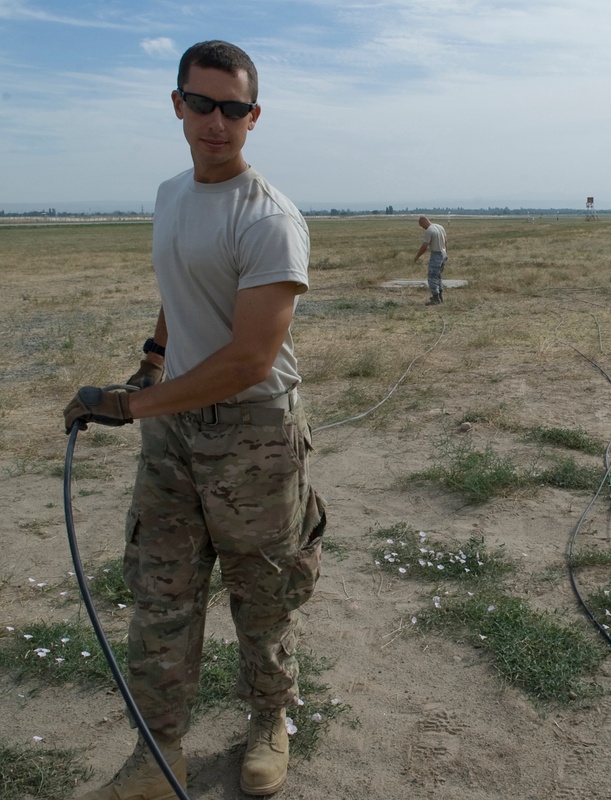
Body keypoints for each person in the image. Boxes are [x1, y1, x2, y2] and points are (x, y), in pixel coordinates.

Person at [63, 40, 326, 799]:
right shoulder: (171, 193)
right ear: (177, 103)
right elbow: (181, 285)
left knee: (263, 591)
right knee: (161, 591)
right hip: (172, 429)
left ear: (254, 117)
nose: (218, 121)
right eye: (203, 103)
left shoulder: (269, 218)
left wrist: (128, 404)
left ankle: (269, 721)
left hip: (254, 434)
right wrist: (153, 355)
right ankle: (160, 749)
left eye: (234, 108)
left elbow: (249, 358)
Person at [413, 215, 448, 305]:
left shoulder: (430, 231)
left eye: (422, 225)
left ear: (424, 222)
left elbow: (425, 246)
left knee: (432, 277)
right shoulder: (440, 227)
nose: (423, 228)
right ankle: (440, 296)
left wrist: (417, 256)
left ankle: (435, 298)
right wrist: (446, 253)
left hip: (436, 255)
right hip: (443, 253)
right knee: (438, 276)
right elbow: (446, 241)